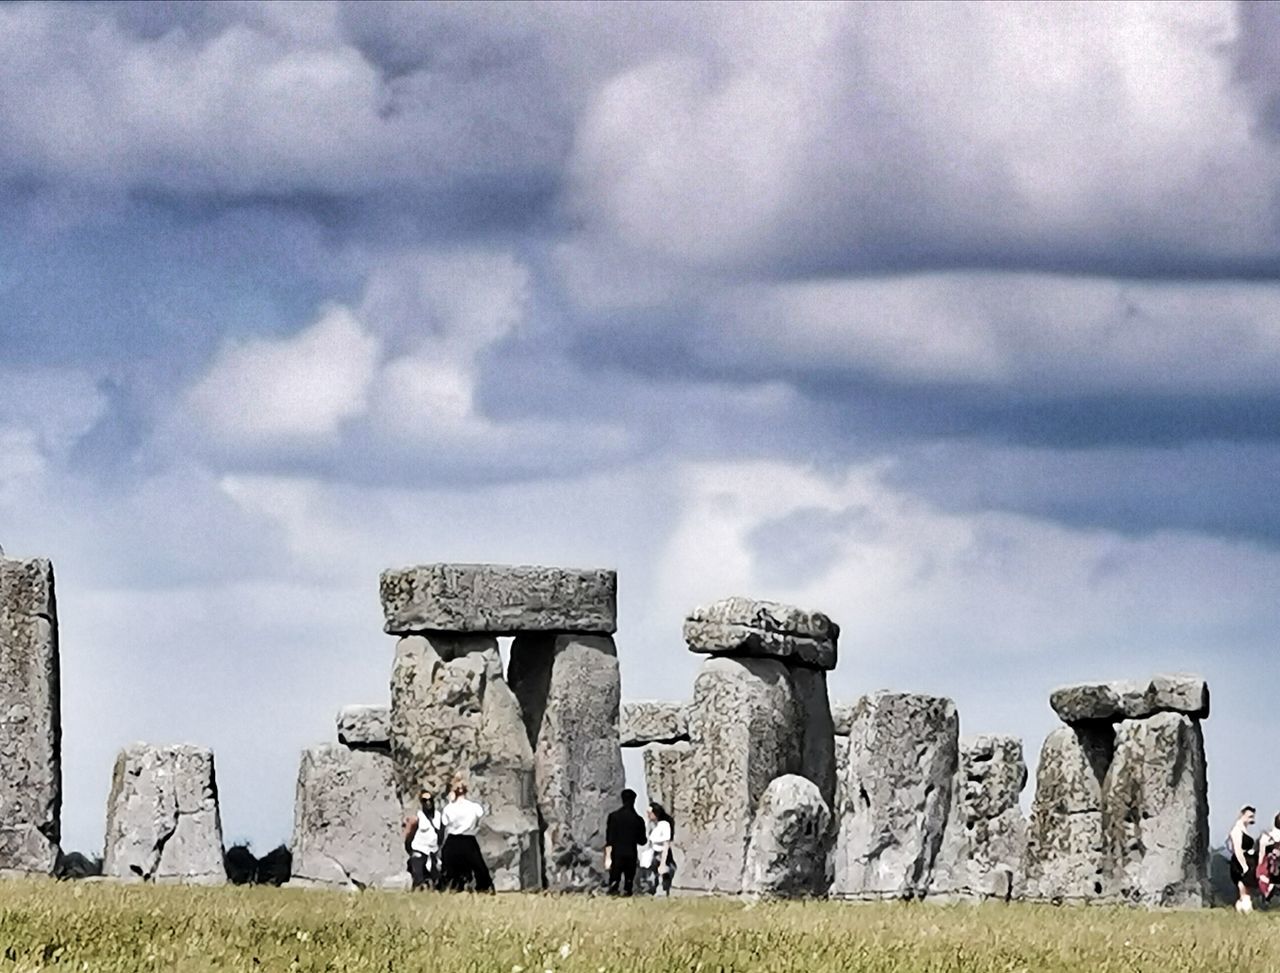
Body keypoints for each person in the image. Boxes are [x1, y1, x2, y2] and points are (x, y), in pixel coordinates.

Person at [439, 775, 493, 893]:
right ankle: (483, 888)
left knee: (450, 869)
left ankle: (451, 887)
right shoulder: (474, 807)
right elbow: (480, 820)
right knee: (479, 867)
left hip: (453, 840)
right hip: (468, 839)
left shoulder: (448, 808)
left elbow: (445, 823)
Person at [604, 788, 647, 896]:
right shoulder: (638, 820)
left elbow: (610, 839)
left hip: (617, 854)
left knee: (614, 883)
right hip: (631, 854)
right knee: (628, 885)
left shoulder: (614, 817)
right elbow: (642, 841)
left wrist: (608, 857)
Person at [403, 789, 441, 891]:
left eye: (430, 799)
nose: (428, 802)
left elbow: (441, 833)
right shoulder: (417, 817)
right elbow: (408, 834)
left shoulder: (438, 816)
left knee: (436, 881)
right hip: (419, 852)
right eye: (425, 800)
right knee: (419, 880)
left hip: (432, 853)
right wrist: (410, 850)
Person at [1228, 805, 1258, 912]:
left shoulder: (1244, 829)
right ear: (1242, 815)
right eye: (1249, 816)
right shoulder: (1237, 830)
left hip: (1248, 859)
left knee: (1247, 884)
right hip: (1240, 861)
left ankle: (1243, 905)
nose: (1251, 819)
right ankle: (1244, 905)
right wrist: (1244, 865)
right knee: (1243, 884)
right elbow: (1237, 849)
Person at [646, 801, 676, 897]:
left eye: (650, 813)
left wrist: (663, 862)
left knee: (664, 874)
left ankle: (664, 892)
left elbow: (666, 844)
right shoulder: (654, 825)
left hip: (662, 852)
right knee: (653, 876)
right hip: (654, 852)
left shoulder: (664, 825)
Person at [1257, 812, 1280, 902]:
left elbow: (1261, 855)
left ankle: (1268, 891)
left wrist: (1259, 869)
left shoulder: (1266, 836)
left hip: (1269, 866)